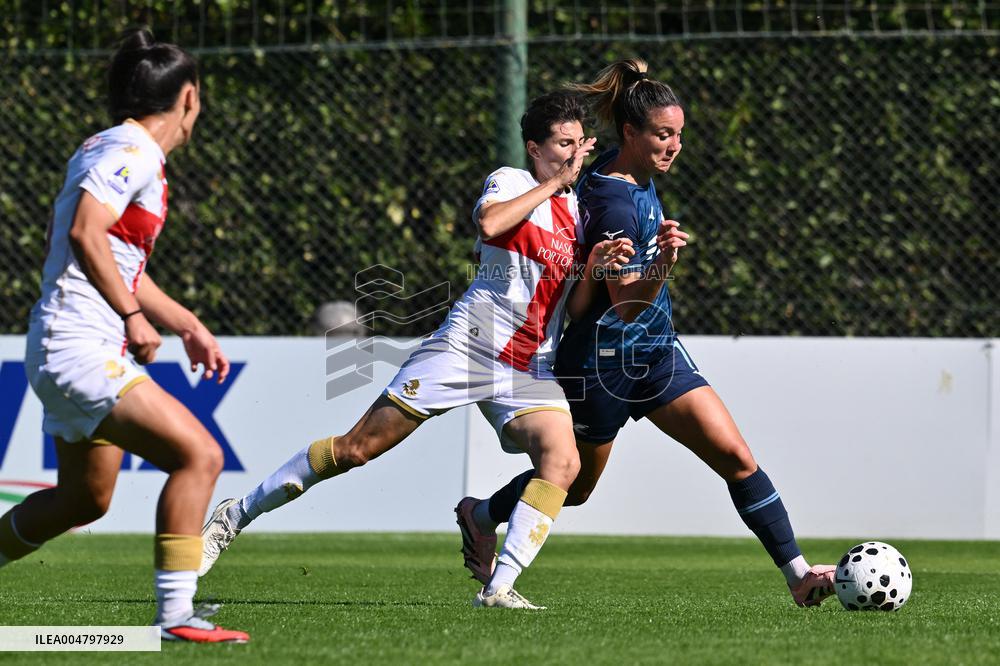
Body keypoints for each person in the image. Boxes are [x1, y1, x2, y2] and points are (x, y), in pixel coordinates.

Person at [198, 91, 635, 609]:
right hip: (468, 346)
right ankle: (235, 516)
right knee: (355, 449)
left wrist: (595, 266)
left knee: (562, 462)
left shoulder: (577, 215)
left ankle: (499, 588)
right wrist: (552, 183)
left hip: (529, 365)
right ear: (534, 148)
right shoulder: (513, 181)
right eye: (561, 144)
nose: (572, 154)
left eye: (577, 144)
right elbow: (490, 224)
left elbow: (575, 306)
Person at [455, 58, 837, 608]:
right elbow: (628, 306)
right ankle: (482, 513)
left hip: (656, 355)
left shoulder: (623, 169)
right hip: (602, 365)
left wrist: (634, 76)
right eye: (663, 134)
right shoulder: (614, 204)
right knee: (574, 488)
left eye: (678, 134)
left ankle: (799, 575)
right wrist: (664, 265)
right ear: (631, 133)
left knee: (736, 456)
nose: (674, 146)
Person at [0, 29, 249, 642]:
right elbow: (85, 233)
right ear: (188, 97)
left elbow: (118, 260)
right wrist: (134, 317)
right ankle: (176, 618)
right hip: (77, 345)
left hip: (69, 343)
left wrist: (185, 323)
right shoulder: (131, 151)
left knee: (83, 500)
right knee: (199, 456)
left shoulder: (120, 149)